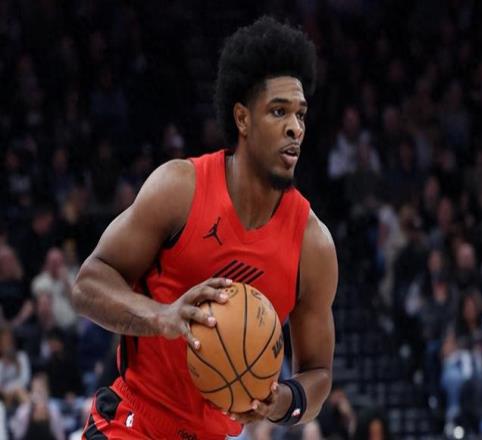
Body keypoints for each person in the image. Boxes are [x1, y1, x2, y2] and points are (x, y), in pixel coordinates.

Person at [72, 16, 338, 439]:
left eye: (301, 114)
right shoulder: (180, 188)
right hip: (134, 422)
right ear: (242, 119)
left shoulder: (313, 244)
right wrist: (161, 316)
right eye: (278, 111)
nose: (295, 128)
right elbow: (87, 285)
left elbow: (319, 373)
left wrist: (281, 402)